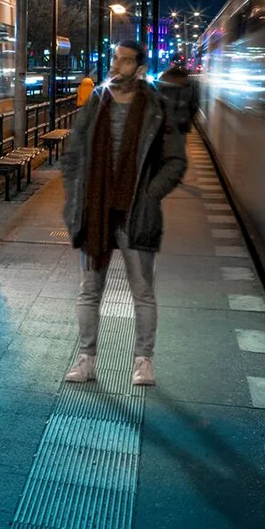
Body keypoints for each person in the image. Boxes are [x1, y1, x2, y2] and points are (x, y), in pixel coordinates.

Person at [60, 40, 187, 387]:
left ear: (140, 68)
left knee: (142, 291)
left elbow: (175, 160)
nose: (115, 66)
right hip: (96, 210)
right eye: (115, 59)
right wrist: (75, 197)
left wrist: (150, 195)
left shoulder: (156, 107)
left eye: (124, 61)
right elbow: (72, 154)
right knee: (89, 290)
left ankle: (144, 362)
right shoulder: (96, 101)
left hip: (136, 211)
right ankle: (86, 360)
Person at [157, 61, 198, 133]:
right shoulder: (189, 87)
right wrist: (188, 118)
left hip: (162, 124)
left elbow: (156, 103)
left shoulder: (162, 85)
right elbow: (193, 106)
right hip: (181, 123)